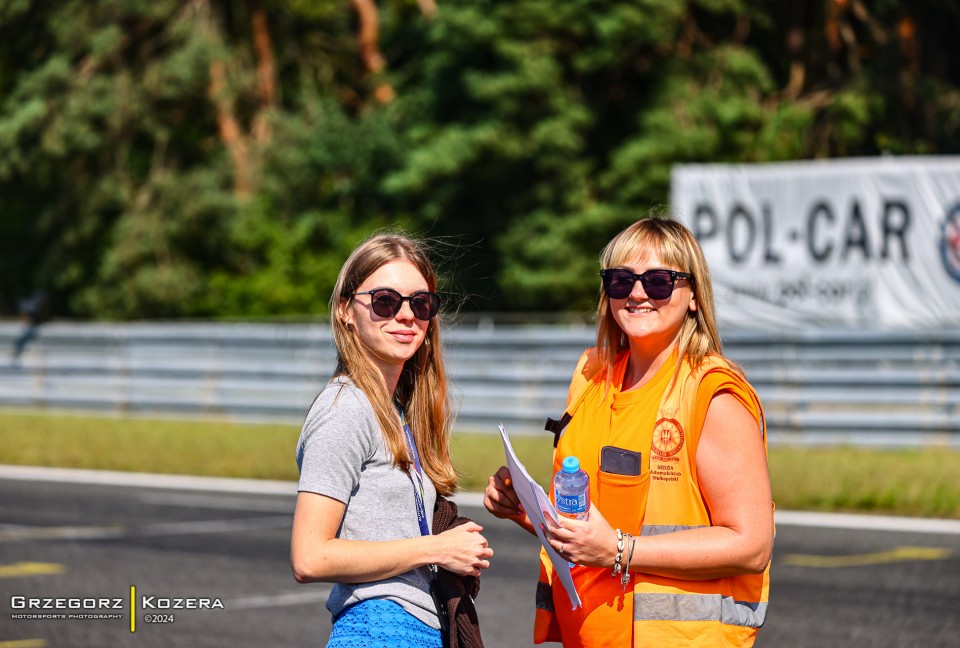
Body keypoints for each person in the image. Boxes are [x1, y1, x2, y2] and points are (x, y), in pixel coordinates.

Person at [483, 216, 774, 647]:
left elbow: (750, 545)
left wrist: (621, 551)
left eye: (658, 281)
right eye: (621, 280)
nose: (637, 293)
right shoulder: (590, 377)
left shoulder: (712, 394)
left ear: (693, 295)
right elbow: (593, 529)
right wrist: (527, 510)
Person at [292, 232, 493, 648]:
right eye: (385, 301)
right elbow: (310, 556)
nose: (406, 316)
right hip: (378, 629)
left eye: (420, 304)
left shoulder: (394, 410)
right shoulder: (345, 409)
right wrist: (436, 549)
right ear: (347, 310)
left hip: (413, 628)